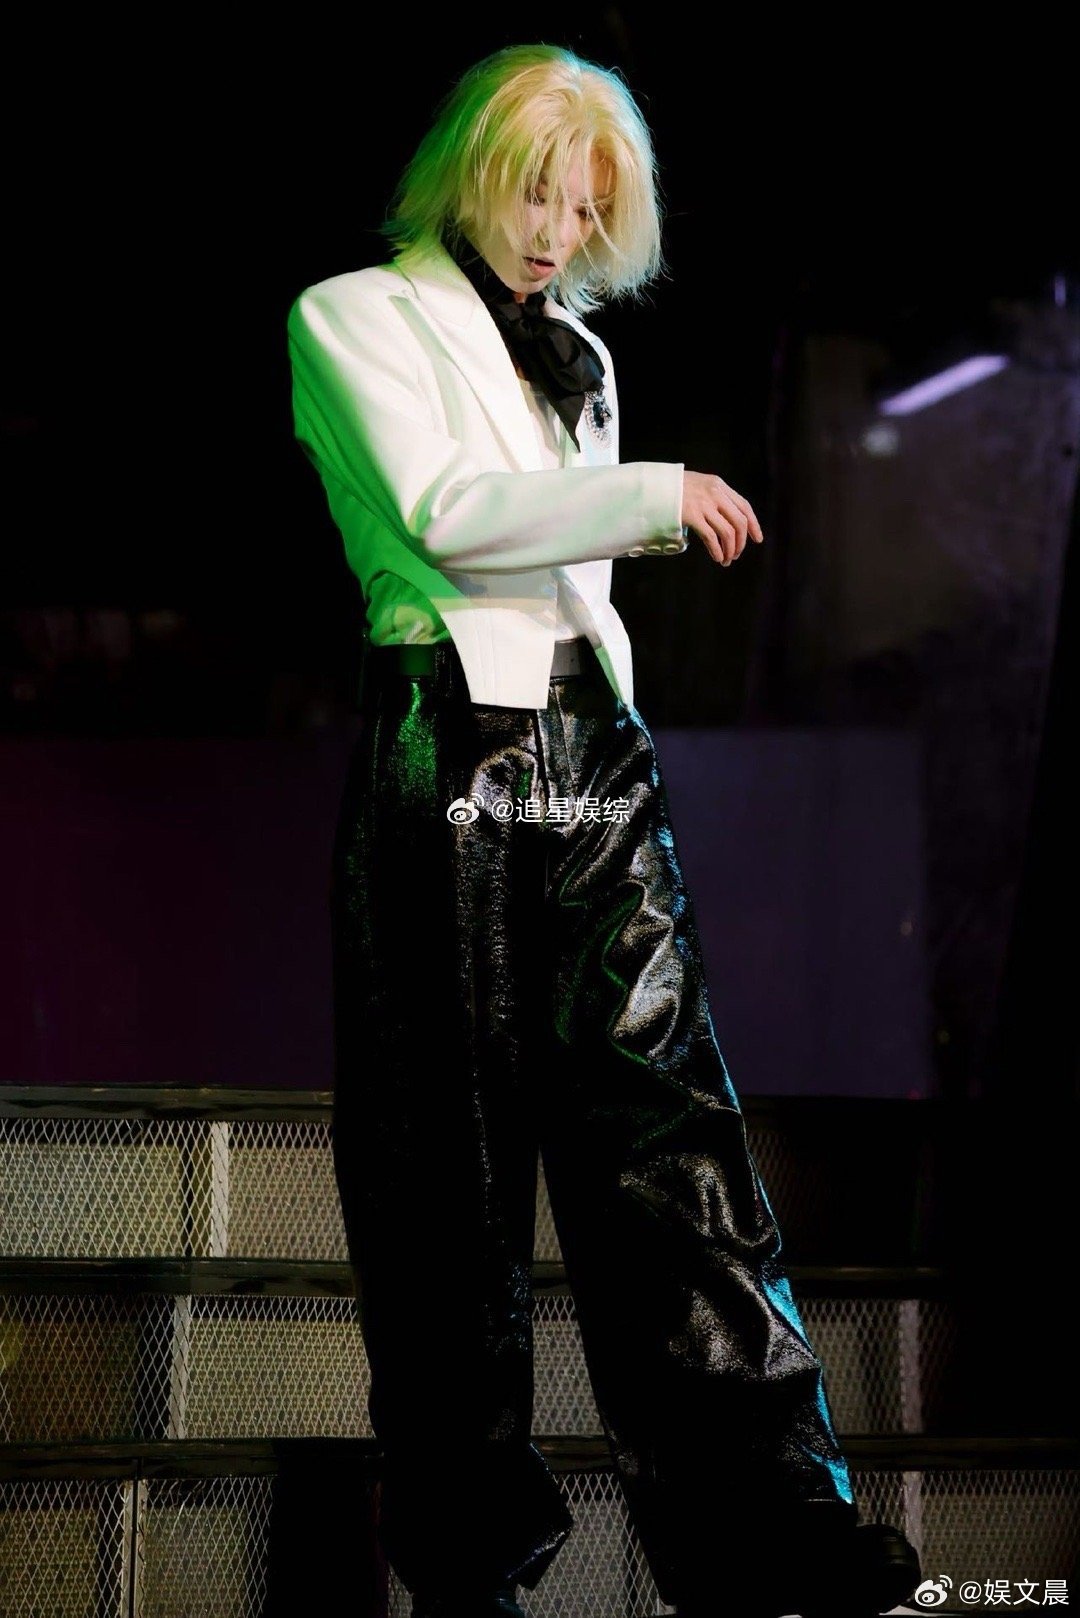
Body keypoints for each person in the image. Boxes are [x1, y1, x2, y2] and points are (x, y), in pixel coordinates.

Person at [287, 42, 922, 1618]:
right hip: (448, 741)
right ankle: (467, 1561)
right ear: (470, 170)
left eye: (585, 211)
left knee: (674, 1134)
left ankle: (774, 1522)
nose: (559, 236)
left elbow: (565, 566)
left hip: (594, 747)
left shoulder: (577, 351)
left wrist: (630, 533)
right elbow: (444, 516)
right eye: (539, 196)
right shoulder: (350, 314)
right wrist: (651, 492)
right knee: (448, 1168)